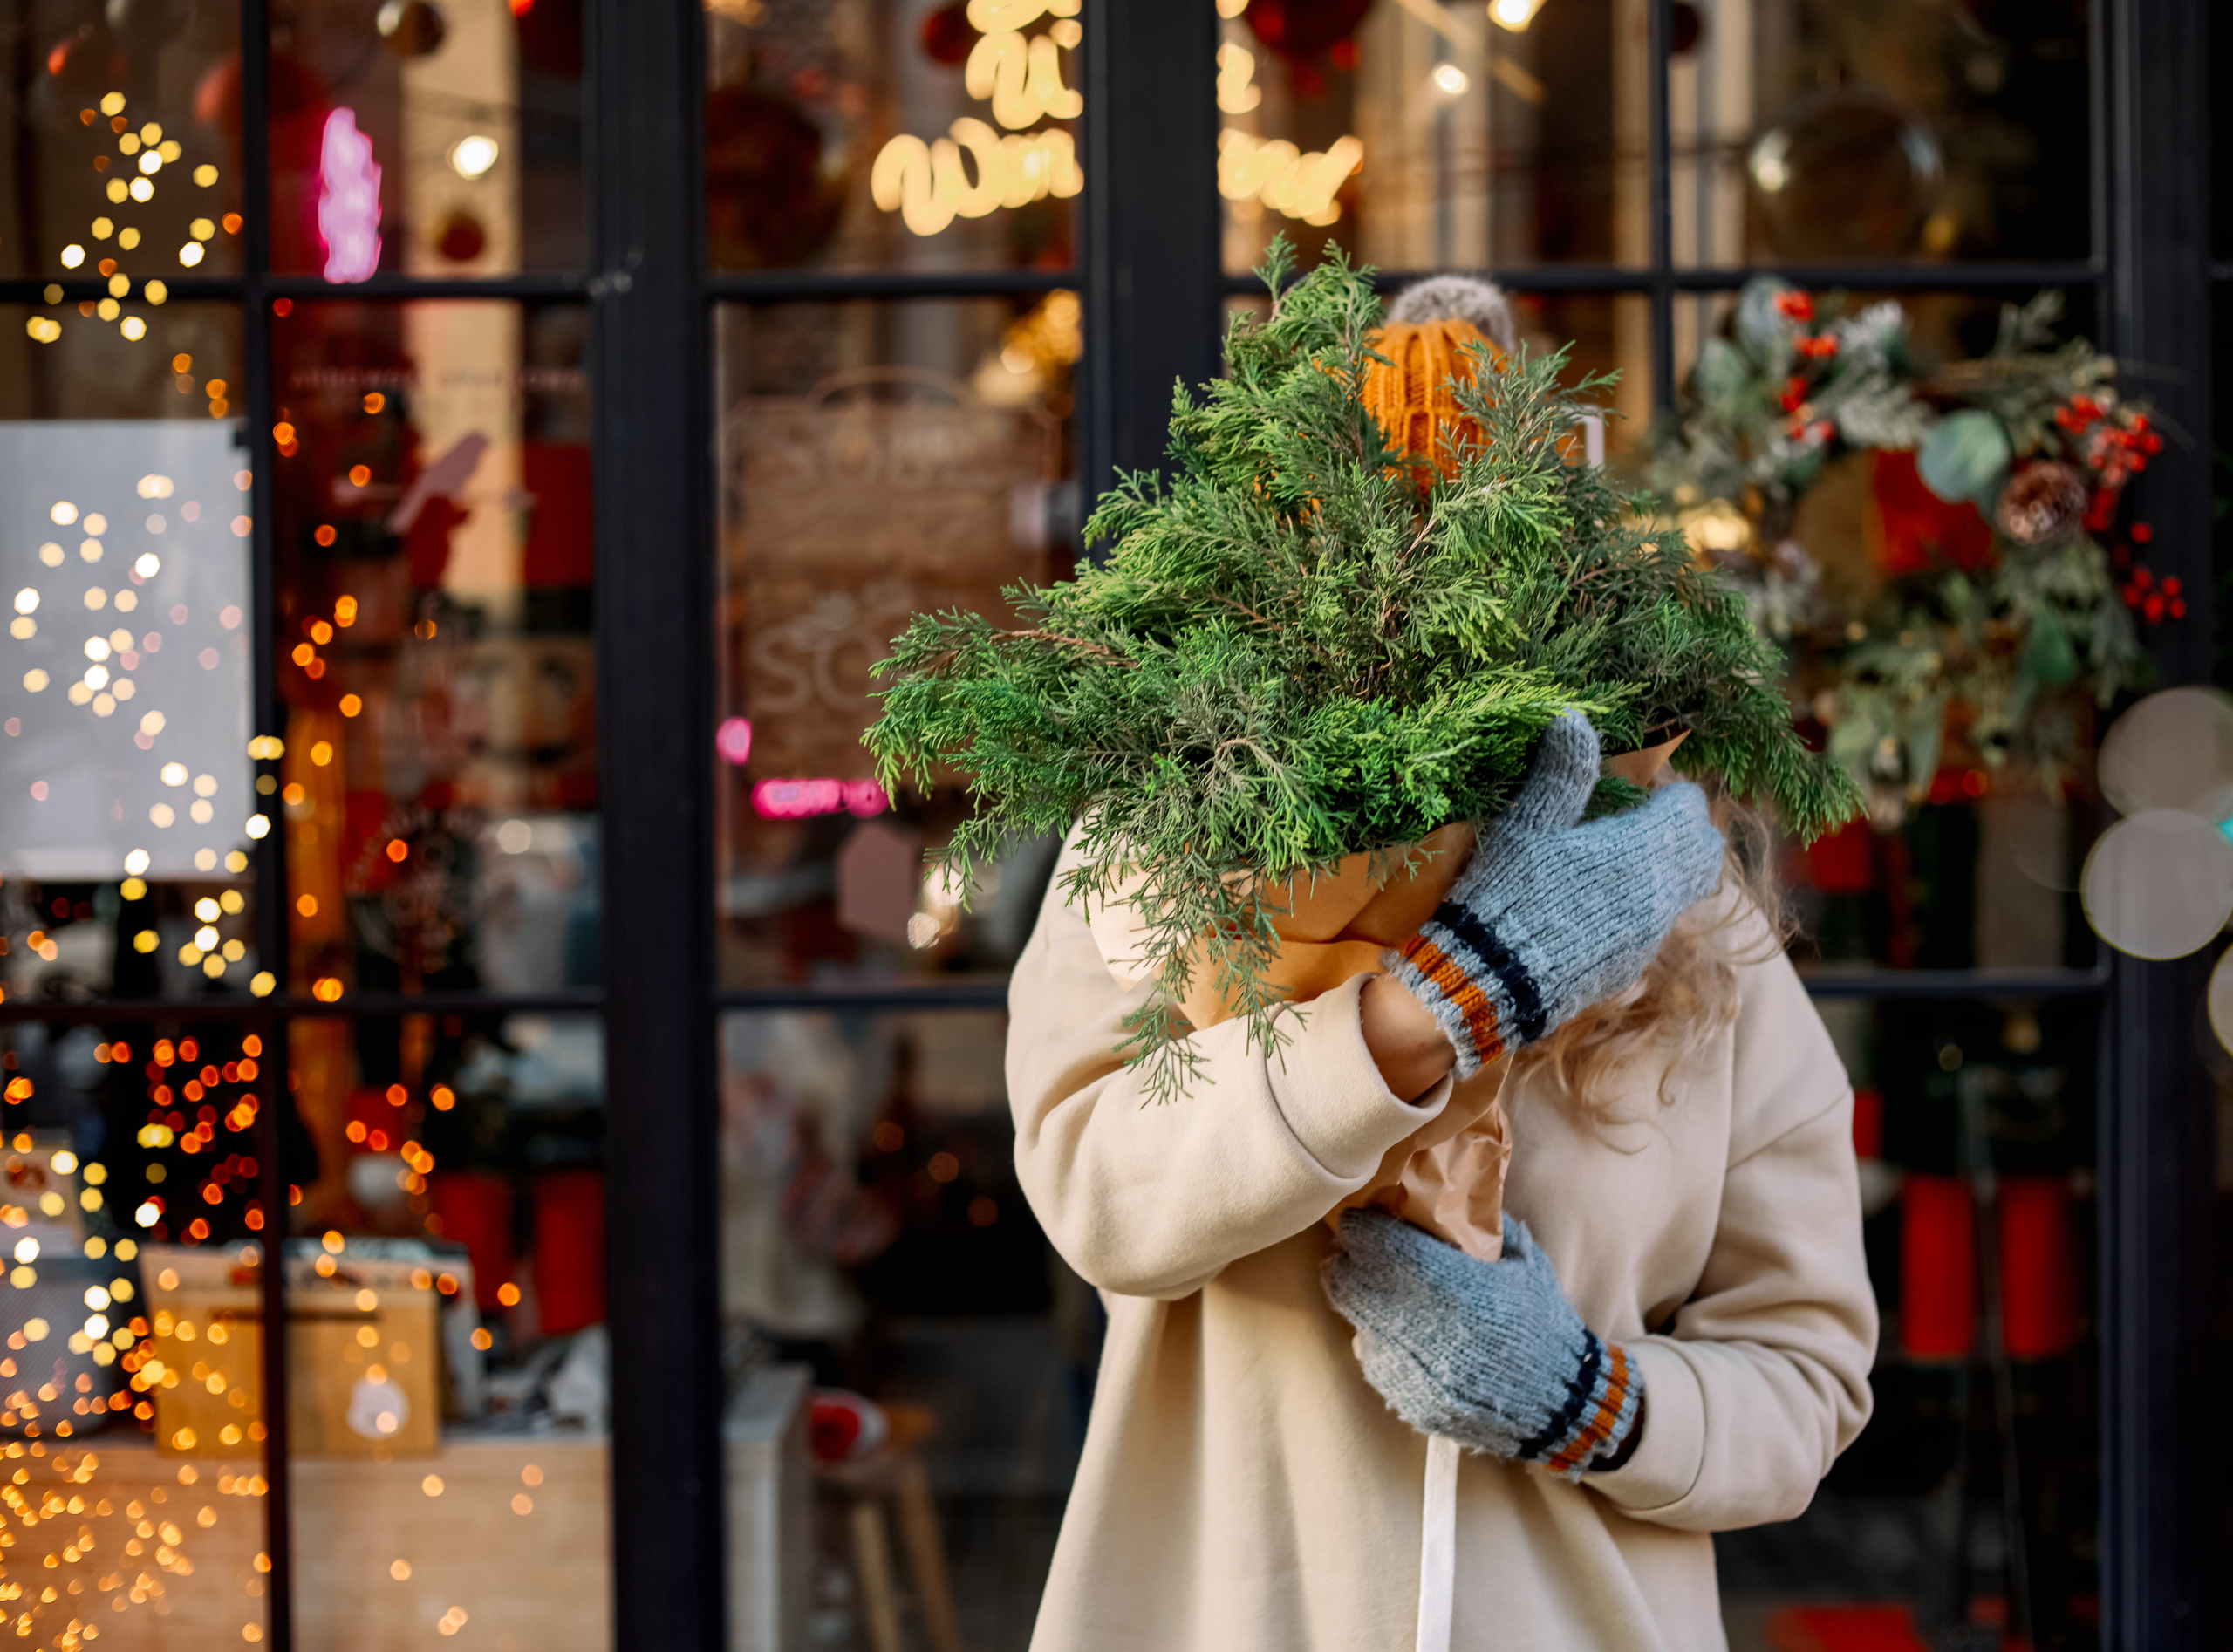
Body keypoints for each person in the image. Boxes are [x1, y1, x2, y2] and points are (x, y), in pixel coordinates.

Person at [1006, 713, 1877, 1650]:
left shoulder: (1689, 916)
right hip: (1230, 1612)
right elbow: (1097, 1198)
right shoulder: (1167, 845)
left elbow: (1804, 1378)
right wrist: (1429, 1007)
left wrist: (1586, 1401)